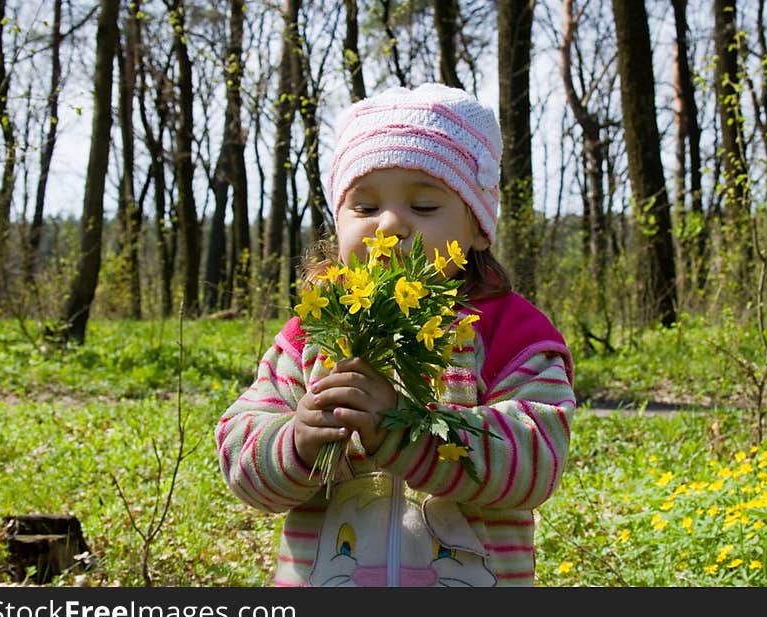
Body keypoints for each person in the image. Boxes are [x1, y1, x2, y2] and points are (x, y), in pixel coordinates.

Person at [216, 83, 576, 587]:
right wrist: (295, 440)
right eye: (363, 208)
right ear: (337, 221)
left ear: (477, 228)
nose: (389, 224)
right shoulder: (313, 334)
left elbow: (538, 458)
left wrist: (404, 432)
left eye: (425, 206)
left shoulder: (508, 332)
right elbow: (240, 451)